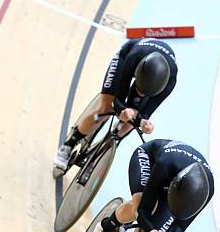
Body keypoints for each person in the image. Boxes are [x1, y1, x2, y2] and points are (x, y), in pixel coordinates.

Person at [53, 38, 178, 171]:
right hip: (126, 56)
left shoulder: (170, 81)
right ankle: (69, 143)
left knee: (132, 120)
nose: (140, 94)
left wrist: (145, 125)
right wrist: (121, 110)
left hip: (152, 76)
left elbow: (145, 113)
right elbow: (117, 100)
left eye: (144, 93)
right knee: (105, 109)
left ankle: (109, 146)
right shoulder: (133, 57)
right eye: (139, 90)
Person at [87, 139, 214, 232]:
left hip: (174, 182)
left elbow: (181, 223)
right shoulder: (165, 163)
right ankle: (107, 226)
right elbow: (143, 209)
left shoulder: (207, 191)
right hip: (150, 159)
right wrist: (150, 228)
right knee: (139, 206)